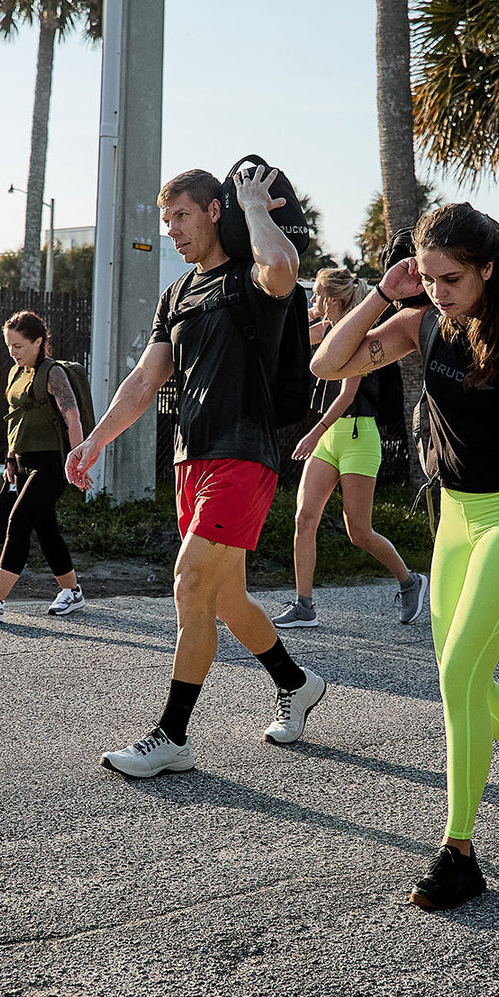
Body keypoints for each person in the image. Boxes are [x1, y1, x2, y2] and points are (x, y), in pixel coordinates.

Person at [311, 203, 499, 911]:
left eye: (452, 277)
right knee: (461, 676)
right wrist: (386, 292)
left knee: (459, 672)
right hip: (457, 516)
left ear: (487, 270)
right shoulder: (419, 323)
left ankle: (459, 850)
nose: (439, 289)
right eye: (428, 275)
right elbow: (329, 363)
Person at [65, 166, 326, 778]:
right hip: (192, 457)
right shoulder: (178, 293)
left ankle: (172, 736)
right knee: (226, 598)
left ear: (213, 210)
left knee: (189, 584)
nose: (172, 232)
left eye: (181, 216)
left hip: (244, 453)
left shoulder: (252, 278)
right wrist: (96, 442)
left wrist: (253, 207)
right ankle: (297, 681)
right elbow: (145, 380)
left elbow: (284, 270)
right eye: (166, 222)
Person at [272, 267, 427, 629]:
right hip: (329, 439)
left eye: (318, 295)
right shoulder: (326, 330)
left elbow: (348, 393)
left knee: (359, 531)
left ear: (335, 299)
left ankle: (410, 581)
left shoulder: (355, 334)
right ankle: (304, 605)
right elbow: (285, 343)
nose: (314, 300)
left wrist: (314, 432)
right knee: (304, 517)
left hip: (358, 436)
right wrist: (305, 315)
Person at [0, 311, 87, 624]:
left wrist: (78, 460)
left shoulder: (53, 373)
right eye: (9, 346)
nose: (12, 352)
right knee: (46, 530)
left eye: (18, 346)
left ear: (38, 342)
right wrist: (9, 458)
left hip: (53, 463)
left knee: (18, 522)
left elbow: (73, 417)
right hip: (23, 462)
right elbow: (15, 419)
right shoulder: (15, 373)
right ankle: (72, 592)